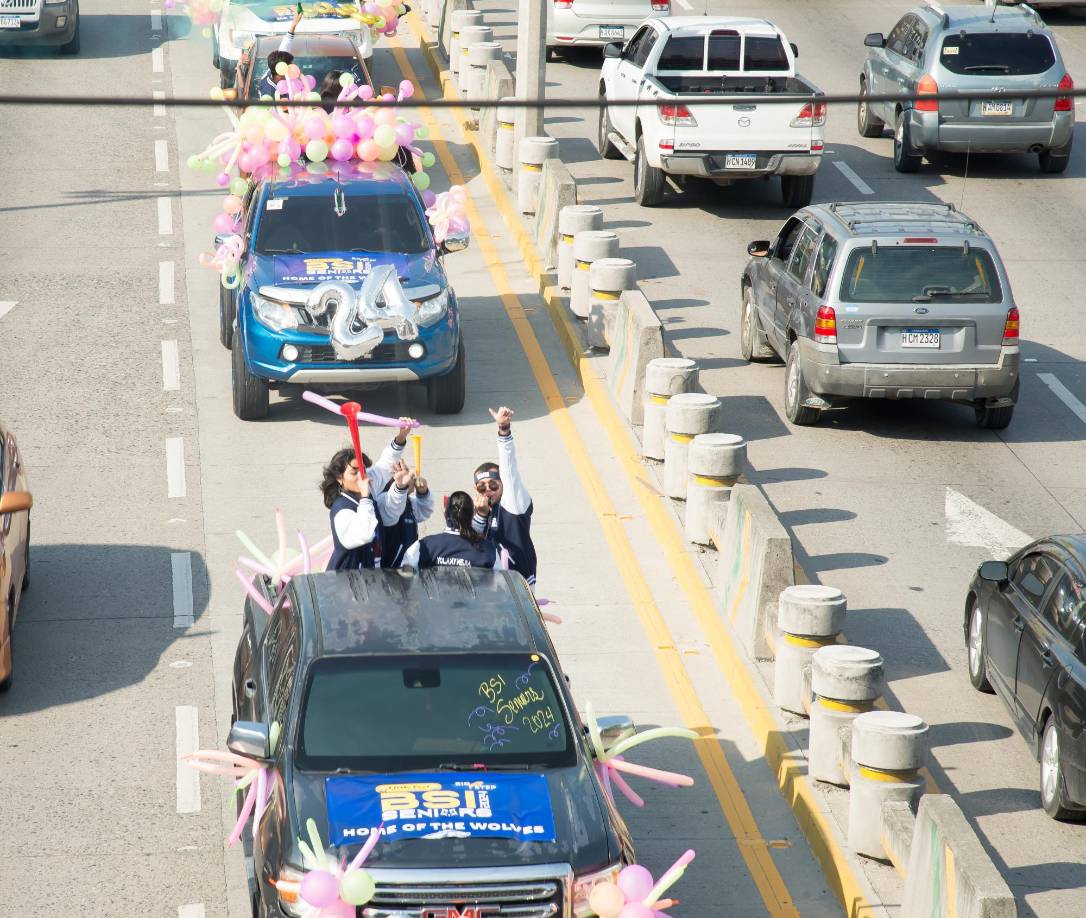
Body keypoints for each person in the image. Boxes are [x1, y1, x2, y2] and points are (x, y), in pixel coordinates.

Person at [321, 417, 417, 571]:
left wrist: (401, 436)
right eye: (354, 472)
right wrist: (366, 498)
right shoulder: (341, 509)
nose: (362, 476)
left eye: (363, 470)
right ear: (339, 478)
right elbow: (364, 533)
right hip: (346, 584)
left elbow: (385, 465)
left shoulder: (367, 489)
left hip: (372, 579)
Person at [472, 406, 537, 586]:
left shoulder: (514, 503)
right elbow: (469, 543)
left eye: (493, 485)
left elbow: (509, 471)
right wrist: (480, 515)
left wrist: (504, 431)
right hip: (490, 586)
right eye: (481, 488)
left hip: (518, 586)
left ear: (502, 484)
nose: (488, 490)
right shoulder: (480, 511)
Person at [401, 492, 504, 570]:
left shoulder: (425, 546)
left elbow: (405, 578)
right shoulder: (488, 549)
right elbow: (499, 586)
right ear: (472, 515)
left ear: (445, 513)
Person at [377, 459, 434, 568]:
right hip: (390, 569)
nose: (412, 477)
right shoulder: (385, 500)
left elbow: (424, 512)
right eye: (407, 473)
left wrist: (423, 493)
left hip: (408, 568)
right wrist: (400, 488)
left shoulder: (409, 501)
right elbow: (393, 504)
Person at [258, 9, 304, 98]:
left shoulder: (273, 68)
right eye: (290, 66)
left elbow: (285, 46)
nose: (293, 67)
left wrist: (294, 24)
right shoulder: (271, 94)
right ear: (281, 71)